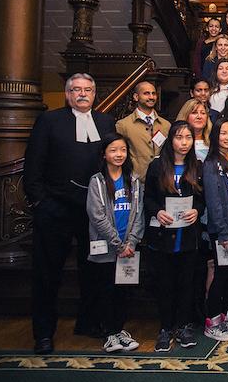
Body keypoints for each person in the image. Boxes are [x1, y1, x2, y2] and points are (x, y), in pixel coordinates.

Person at [25, 73, 116, 354]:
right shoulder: (50, 121)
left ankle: (88, 322)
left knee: (93, 269)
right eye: (76, 90)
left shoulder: (104, 122)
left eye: (88, 89)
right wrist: (41, 204)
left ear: (94, 93)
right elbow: (33, 167)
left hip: (93, 211)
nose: (82, 94)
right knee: (47, 273)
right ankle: (43, 333)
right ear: (67, 94)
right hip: (56, 209)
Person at [144, 121, 204, 351]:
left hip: (188, 235)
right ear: (171, 140)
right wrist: (157, 211)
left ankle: (183, 326)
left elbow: (202, 198)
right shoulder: (157, 166)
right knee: (165, 283)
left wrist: (197, 210)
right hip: (162, 235)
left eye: (188, 138)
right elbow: (148, 198)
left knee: (186, 283)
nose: (184, 142)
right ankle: (165, 327)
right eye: (179, 137)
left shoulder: (196, 166)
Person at [86, 133, 144, 352]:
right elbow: (97, 216)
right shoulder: (97, 181)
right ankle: (109, 333)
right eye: (113, 150)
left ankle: (120, 330)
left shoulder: (134, 179)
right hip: (107, 247)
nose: (118, 154)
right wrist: (118, 244)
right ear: (104, 154)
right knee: (106, 290)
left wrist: (132, 242)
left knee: (122, 291)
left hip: (129, 248)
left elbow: (139, 214)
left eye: (122, 150)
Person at [202, 118, 228, 341]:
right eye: (223, 134)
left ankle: (227, 316)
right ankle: (212, 321)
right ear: (215, 136)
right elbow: (213, 202)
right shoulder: (210, 164)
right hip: (221, 229)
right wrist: (222, 232)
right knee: (220, 275)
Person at [116, 81, 171, 181]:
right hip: (136, 182)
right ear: (136, 97)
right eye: (146, 93)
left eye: (153, 93)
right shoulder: (123, 125)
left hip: (162, 180)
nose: (151, 97)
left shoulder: (166, 125)